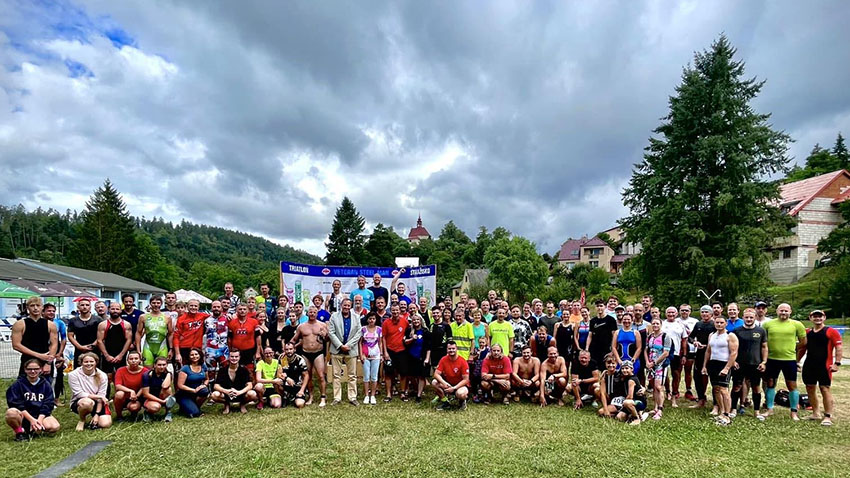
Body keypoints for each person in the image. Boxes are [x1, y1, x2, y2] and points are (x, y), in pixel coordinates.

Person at [761, 303, 807, 420]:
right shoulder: (768, 324)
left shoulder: (797, 324)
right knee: (770, 384)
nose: (783, 313)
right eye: (781, 310)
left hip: (789, 360)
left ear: (790, 311)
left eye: (786, 311)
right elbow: (763, 341)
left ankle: (794, 412)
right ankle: (770, 409)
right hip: (772, 359)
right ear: (777, 311)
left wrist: (793, 350)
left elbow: (803, 342)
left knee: (792, 386)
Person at [801, 309, 843, 426]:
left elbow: (838, 347)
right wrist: (796, 361)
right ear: (810, 318)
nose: (817, 318)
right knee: (810, 387)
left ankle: (828, 416)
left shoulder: (831, 331)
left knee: (824, 389)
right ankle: (815, 413)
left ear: (824, 318)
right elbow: (803, 348)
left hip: (824, 365)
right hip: (809, 364)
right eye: (815, 316)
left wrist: (837, 363)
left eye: (820, 316)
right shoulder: (808, 332)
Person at [6, 358, 60, 441]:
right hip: (23, 415)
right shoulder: (17, 384)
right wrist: (31, 420)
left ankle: (35, 429)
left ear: (41, 370)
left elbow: (48, 404)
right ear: (25, 370)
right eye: (29, 369)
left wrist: (39, 421)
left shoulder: (46, 384)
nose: (33, 371)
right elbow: (16, 404)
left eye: (36, 369)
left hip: (39, 415)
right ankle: (19, 432)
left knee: (54, 426)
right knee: (11, 413)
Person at [731, 307, 767, 419]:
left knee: (756, 388)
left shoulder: (761, 331)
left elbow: (764, 347)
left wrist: (764, 361)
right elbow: (732, 348)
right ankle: (733, 409)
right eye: (747, 317)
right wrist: (734, 361)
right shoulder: (737, 331)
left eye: (751, 317)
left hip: (755, 364)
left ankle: (756, 411)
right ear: (743, 318)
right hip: (740, 363)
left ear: (755, 318)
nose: (749, 319)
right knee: (737, 386)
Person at [702, 316, 738, 425]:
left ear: (725, 324)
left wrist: (727, 368)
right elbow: (708, 351)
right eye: (717, 322)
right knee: (716, 389)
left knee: (724, 389)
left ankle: (727, 415)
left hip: (724, 363)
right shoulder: (712, 335)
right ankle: (721, 412)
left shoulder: (730, 336)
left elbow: (734, 353)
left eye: (721, 322)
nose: (719, 324)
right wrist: (705, 366)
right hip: (713, 363)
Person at [290, 305, 329, 407]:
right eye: (310, 312)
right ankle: (310, 396)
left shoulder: (322, 325)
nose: (312, 314)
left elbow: (328, 340)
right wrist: (289, 347)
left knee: (321, 376)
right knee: (308, 376)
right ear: (308, 313)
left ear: (317, 314)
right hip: (306, 353)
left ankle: (323, 397)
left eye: (314, 312)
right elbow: (294, 339)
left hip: (318, 353)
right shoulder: (301, 326)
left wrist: (325, 335)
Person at [11, 296, 58, 377]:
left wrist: (48, 363)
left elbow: (54, 344)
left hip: (46, 361)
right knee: (25, 388)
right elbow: (16, 345)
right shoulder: (19, 324)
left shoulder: (50, 324)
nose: (35, 308)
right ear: (27, 307)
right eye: (32, 306)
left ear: (42, 307)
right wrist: (39, 355)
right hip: (27, 361)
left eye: (38, 305)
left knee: (45, 388)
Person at [328, 298, 362, 405]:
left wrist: (348, 345)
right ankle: (337, 397)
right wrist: (340, 345)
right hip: (337, 349)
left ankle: (352, 397)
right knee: (336, 375)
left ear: (351, 307)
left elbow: (359, 333)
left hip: (351, 350)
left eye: (348, 305)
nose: (346, 307)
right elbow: (331, 333)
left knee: (352, 375)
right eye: (345, 305)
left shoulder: (356, 317)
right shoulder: (334, 316)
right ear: (341, 305)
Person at [68, 352, 112, 431]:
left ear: (96, 363)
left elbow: (101, 397)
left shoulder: (102, 375)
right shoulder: (73, 374)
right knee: (87, 403)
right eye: (86, 362)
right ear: (81, 363)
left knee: (105, 424)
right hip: (80, 401)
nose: (89, 364)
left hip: (98, 402)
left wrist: (97, 414)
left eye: (91, 362)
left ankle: (94, 417)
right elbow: (79, 394)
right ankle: (82, 419)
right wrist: (100, 397)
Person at [96, 302, 133, 384]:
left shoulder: (126, 324)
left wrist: (121, 355)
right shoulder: (103, 324)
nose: (115, 311)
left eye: (117, 309)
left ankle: (119, 395)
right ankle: (106, 395)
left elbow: (129, 340)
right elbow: (99, 340)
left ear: (120, 310)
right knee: (106, 378)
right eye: (113, 309)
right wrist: (106, 355)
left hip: (121, 355)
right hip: (107, 355)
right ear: (109, 310)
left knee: (121, 377)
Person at [599, 359, 646, 425]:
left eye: (613, 363)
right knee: (603, 412)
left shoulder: (626, 377)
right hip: (618, 401)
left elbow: (631, 394)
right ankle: (630, 414)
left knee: (623, 410)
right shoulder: (621, 374)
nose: (624, 370)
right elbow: (602, 394)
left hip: (629, 401)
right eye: (623, 368)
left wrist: (643, 389)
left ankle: (636, 416)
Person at [644, 318, 673, 420]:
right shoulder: (650, 337)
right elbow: (646, 350)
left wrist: (655, 362)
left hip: (661, 365)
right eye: (653, 323)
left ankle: (660, 409)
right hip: (651, 366)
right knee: (653, 387)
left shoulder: (666, 336)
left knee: (659, 386)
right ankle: (655, 407)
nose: (655, 325)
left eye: (657, 323)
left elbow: (666, 353)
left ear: (661, 324)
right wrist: (647, 362)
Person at [688, 305, 716, 409]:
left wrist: (708, 345)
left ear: (711, 314)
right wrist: (695, 342)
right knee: (697, 377)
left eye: (706, 312)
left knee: (712, 378)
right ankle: (701, 399)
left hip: (712, 354)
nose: (704, 314)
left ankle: (716, 402)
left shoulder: (714, 324)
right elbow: (690, 337)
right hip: (699, 354)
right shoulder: (698, 324)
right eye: (702, 312)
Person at [212, 350, 257, 414]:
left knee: (252, 394)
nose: (234, 358)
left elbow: (249, 385)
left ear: (239, 357)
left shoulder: (244, 370)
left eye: (236, 356)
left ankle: (242, 404)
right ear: (228, 357)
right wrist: (226, 391)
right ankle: (226, 404)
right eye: (232, 356)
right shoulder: (223, 370)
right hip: (226, 394)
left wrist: (239, 392)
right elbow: (216, 386)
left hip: (241, 394)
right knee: (214, 395)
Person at [381, 304, 410, 402]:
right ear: (391, 311)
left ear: (399, 310)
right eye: (393, 310)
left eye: (397, 310)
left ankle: (402, 392)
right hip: (390, 351)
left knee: (403, 372)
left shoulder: (405, 321)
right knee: (389, 373)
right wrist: (385, 352)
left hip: (402, 350)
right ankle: (389, 393)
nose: (395, 312)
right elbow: (383, 338)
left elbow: (409, 332)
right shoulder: (386, 323)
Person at [661, 306, 688, 407]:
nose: (671, 314)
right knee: (664, 374)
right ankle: (667, 391)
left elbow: (684, 340)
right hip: (663, 353)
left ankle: (674, 396)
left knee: (676, 374)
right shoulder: (662, 324)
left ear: (676, 314)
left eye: (673, 313)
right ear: (665, 313)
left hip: (676, 353)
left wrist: (684, 354)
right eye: (669, 312)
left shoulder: (680, 325)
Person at [135, 295, 173, 367]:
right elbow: (138, 333)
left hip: (162, 347)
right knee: (147, 371)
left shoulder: (167, 317)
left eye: (158, 303)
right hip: (148, 347)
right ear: (150, 304)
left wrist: (171, 349)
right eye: (154, 303)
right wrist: (138, 349)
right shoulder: (143, 317)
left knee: (162, 369)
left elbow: (170, 333)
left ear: (161, 304)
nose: (156, 305)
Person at [431, 341, 470, 410]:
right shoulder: (443, 359)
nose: (451, 350)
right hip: (448, 384)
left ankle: (462, 401)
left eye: (453, 348)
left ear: (456, 349)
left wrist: (454, 388)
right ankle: (445, 402)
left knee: (461, 394)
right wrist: (444, 383)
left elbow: (466, 379)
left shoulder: (462, 361)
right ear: (447, 349)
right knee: (434, 382)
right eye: (449, 349)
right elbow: (436, 374)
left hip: (460, 386)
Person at [42, 303, 67, 404]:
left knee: (59, 375)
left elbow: (64, 339)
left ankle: (56, 399)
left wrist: (59, 354)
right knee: (47, 374)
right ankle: (46, 398)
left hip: (57, 350)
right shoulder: (40, 323)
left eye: (53, 311)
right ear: (43, 312)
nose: (51, 313)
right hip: (44, 351)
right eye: (49, 311)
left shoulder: (59, 323)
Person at [68, 297, 103, 369]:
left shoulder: (98, 319)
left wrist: (93, 345)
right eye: (82, 305)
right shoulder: (73, 320)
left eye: (87, 305)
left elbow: (101, 335)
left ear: (90, 307)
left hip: (95, 349)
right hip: (79, 349)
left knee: (95, 370)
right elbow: (70, 335)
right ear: (78, 307)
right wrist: (79, 347)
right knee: (79, 370)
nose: (84, 307)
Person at [113, 350, 148, 420]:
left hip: (139, 396)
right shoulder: (120, 370)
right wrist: (131, 391)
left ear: (140, 360)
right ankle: (119, 416)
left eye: (136, 358)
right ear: (127, 361)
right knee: (119, 394)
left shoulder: (145, 371)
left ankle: (135, 413)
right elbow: (118, 386)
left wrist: (136, 396)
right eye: (131, 359)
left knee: (134, 407)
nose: (133, 361)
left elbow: (145, 386)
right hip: (125, 396)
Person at [173, 299, 210, 366]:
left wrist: (229, 315)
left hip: (197, 348)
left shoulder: (203, 316)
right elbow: (176, 337)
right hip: (184, 348)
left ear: (198, 307)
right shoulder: (181, 319)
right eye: (191, 306)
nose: (193, 307)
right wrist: (177, 354)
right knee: (185, 369)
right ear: (187, 307)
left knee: (197, 368)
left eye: (195, 306)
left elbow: (216, 316)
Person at [175, 348, 210, 418]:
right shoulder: (185, 368)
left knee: (205, 391)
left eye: (196, 354)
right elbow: (180, 385)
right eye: (192, 355)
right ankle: (188, 408)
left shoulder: (203, 366)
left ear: (200, 355)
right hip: (185, 394)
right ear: (189, 357)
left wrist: (203, 385)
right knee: (194, 414)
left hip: (198, 391)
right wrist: (193, 390)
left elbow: (207, 379)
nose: (194, 356)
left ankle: (194, 407)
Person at [404, 315, 432, 402]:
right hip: (411, 356)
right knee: (410, 375)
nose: (416, 321)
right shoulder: (409, 330)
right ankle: (415, 389)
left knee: (421, 376)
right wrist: (412, 338)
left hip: (422, 357)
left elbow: (428, 347)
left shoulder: (425, 332)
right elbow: (405, 342)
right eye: (414, 320)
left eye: (417, 320)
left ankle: (419, 395)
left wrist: (427, 358)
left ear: (421, 321)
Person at [227, 303, 262, 372]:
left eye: (244, 309)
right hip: (236, 351)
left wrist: (258, 352)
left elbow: (258, 337)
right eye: (240, 309)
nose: (242, 311)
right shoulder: (231, 323)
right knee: (236, 370)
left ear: (247, 310)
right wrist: (229, 351)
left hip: (249, 351)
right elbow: (229, 339)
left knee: (250, 371)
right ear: (237, 310)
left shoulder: (254, 322)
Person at [140, 356, 175, 422]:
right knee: (156, 407)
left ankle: (168, 412)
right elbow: (145, 394)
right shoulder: (146, 375)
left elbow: (165, 386)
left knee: (168, 390)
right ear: (154, 365)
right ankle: (147, 413)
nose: (162, 367)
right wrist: (161, 401)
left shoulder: (167, 374)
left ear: (167, 365)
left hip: (161, 395)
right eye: (159, 365)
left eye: (164, 365)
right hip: (149, 398)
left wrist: (169, 374)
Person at [359, 312, 383, 405]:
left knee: (374, 376)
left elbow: (380, 343)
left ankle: (372, 395)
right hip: (365, 356)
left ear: (376, 320)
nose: (371, 320)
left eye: (373, 318)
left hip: (376, 356)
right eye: (370, 319)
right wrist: (361, 354)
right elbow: (360, 343)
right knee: (366, 376)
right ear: (367, 319)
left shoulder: (379, 329)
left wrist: (381, 355)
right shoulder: (363, 329)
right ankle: (366, 395)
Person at [586, 300, 618, 370]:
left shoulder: (611, 320)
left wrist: (613, 351)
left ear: (605, 307)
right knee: (594, 369)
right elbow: (590, 335)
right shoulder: (592, 321)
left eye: (601, 306)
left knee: (606, 370)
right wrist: (587, 349)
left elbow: (614, 336)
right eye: (597, 306)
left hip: (606, 350)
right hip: (594, 350)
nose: (599, 308)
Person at [203, 300, 230, 379]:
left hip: (224, 350)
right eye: (214, 307)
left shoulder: (227, 319)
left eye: (218, 307)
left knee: (225, 371)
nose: (216, 308)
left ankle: (223, 389)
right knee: (210, 372)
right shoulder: (206, 320)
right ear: (211, 308)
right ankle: (211, 389)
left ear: (221, 308)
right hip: (210, 350)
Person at [279, 342, 310, 408]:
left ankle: (299, 396)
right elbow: (279, 373)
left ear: (294, 349)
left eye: (290, 349)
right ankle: (284, 397)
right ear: (284, 350)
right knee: (277, 381)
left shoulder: (300, 360)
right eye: (286, 349)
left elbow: (306, 375)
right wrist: (287, 378)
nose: (288, 351)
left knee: (299, 404)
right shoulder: (281, 358)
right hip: (286, 384)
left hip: (297, 385)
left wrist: (302, 390)